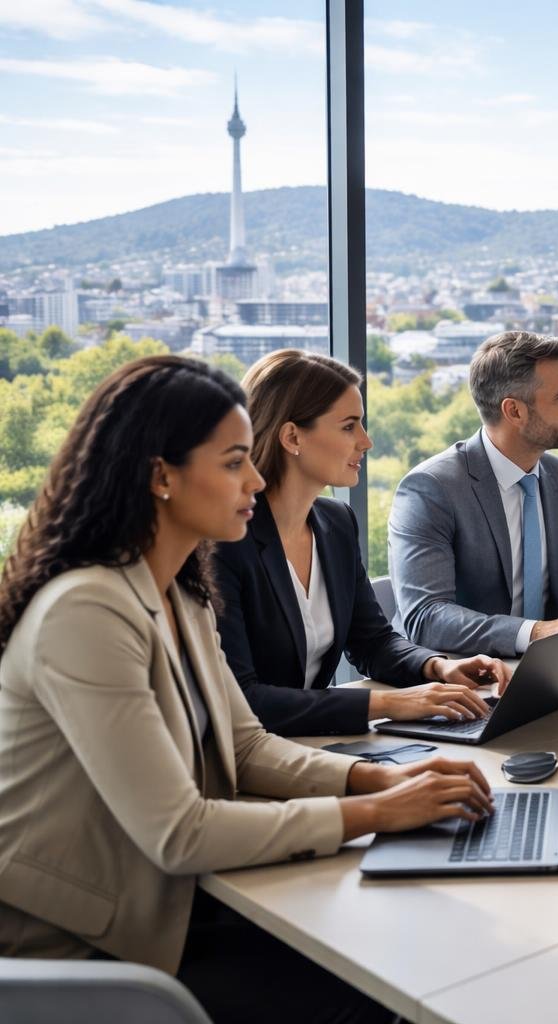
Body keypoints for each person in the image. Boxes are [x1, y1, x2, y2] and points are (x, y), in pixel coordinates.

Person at [0, 356, 495, 1023]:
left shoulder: (181, 592)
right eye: (234, 462)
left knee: (410, 946)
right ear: (161, 477)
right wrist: (377, 814)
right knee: (383, 992)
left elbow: (249, 747)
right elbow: (180, 831)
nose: (256, 480)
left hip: (175, 905)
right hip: (87, 952)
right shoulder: (85, 612)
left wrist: (380, 782)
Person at [214, 350, 511, 737]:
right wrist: (388, 704)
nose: (366, 442)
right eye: (349, 426)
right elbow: (244, 699)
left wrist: (437, 667)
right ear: (292, 436)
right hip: (249, 756)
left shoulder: (335, 523)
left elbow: (372, 642)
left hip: (319, 740)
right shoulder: (225, 543)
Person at [389, 330, 558, 657]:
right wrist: (536, 632)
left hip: (547, 673)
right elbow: (427, 616)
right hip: (455, 680)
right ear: (514, 411)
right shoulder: (431, 489)